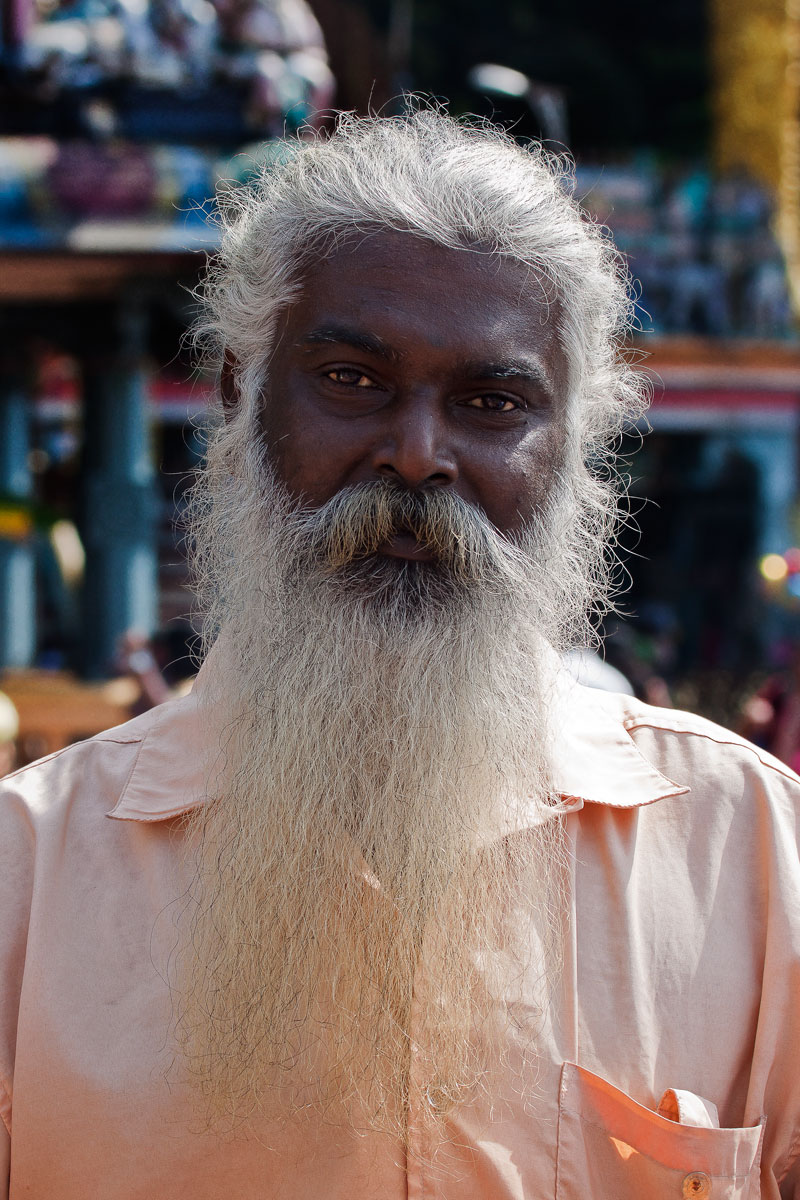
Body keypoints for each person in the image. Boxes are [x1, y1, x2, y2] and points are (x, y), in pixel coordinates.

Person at [1, 109, 799, 1199]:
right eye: (352, 380)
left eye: (491, 403)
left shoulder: (749, 851)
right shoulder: (30, 877)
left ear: (574, 444)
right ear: (239, 395)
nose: (418, 455)